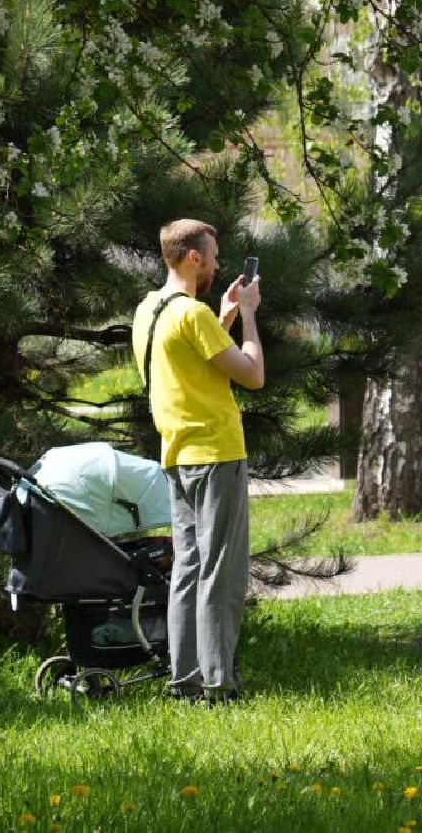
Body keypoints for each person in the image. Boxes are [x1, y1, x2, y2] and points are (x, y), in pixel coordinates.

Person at [132, 219, 264, 703]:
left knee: (187, 570)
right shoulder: (192, 314)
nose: (215, 263)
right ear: (193, 258)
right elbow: (252, 374)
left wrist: (223, 314)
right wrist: (248, 315)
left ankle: (184, 681)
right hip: (217, 452)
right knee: (221, 572)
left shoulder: (150, 310)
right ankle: (218, 684)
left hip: (177, 455)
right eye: (211, 255)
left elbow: (189, 361)